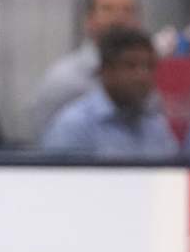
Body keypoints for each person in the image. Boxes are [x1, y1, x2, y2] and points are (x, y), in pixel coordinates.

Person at [39, 26, 179, 158]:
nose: (142, 76)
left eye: (149, 66)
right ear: (106, 71)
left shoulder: (155, 126)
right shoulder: (74, 126)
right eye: (131, 66)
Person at [29, 0, 143, 139]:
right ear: (89, 21)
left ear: (138, 23)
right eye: (107, 9)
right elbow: (48, 145)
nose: (118, 19)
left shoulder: (147, 80)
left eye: (127, 10)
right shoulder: (62, 80)